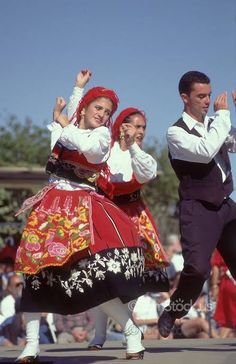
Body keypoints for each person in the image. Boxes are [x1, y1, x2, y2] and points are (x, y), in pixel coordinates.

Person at [14, 84, 147, 362]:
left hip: (80, 208)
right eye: (97, 107)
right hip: (50, 208)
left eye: (107, 111)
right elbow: (62, 136)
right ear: (84, 108)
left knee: (95, 278)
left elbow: (86, 148)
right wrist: (76, 90)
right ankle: (31, 345)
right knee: (34, 274)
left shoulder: (100, 138)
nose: (102, 114)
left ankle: (131, 331)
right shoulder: (67, 129)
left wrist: (64, 121)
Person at [157, 70, 236, 338]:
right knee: (197, 269)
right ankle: (173, 311)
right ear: (184, 97)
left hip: (226, 206)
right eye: (201, 96)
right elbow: (205, 152)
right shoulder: (175, 133)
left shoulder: (216, 124)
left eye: (209, 95)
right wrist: (224, 117)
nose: (207, 101)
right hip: (198, 208)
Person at [211, 250, 236, 337]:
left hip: (229, 284)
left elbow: (216, 266)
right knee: (228, 322)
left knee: (228, 322)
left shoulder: (224, 241)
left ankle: (221, 340)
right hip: (230, 283)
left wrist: (214, 286)